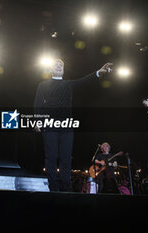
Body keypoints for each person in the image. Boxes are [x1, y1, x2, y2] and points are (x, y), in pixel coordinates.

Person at [34, 59, 113, 192]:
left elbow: (84, 81)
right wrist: (37, 120)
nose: (59, 66)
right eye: (56, 65)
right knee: (51, 156)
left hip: (66, 127)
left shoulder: (68, 84)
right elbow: (37, 104)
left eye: (61, 65)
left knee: (66, 157)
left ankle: (65, 187)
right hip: (50, 125)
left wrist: (99, 72)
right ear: (51, 69)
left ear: (63, 70)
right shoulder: (43, 85)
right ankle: (53, 187)